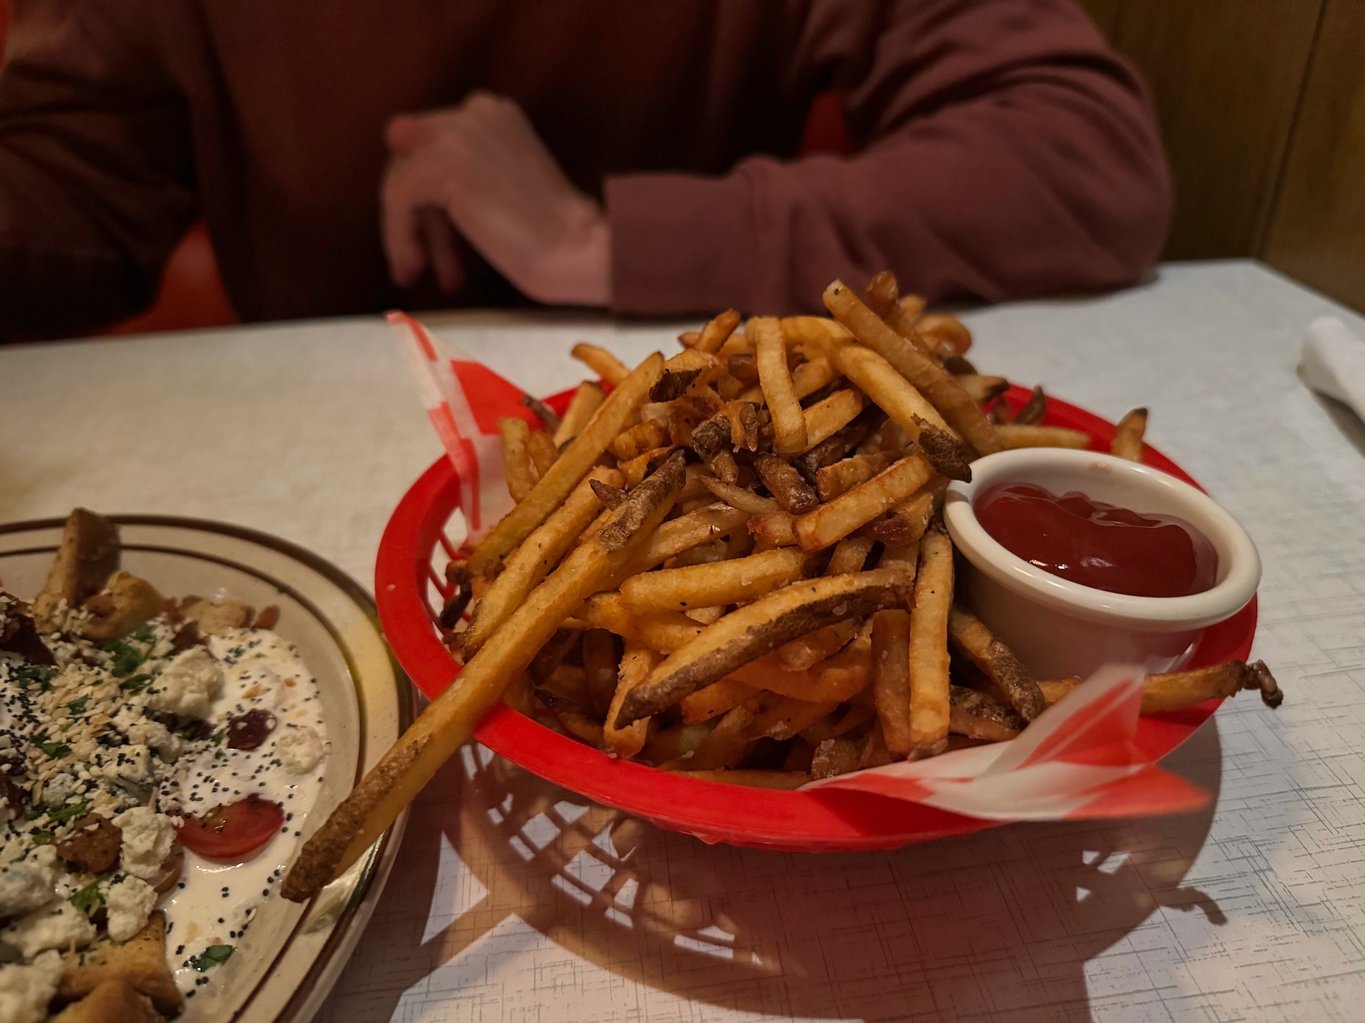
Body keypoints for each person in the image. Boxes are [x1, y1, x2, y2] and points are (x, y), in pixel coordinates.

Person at [0, 1, 1169, 341]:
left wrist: (594, 241)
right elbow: (73, 185)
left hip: (676, 422)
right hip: (284, 500)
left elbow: (1081, 153)